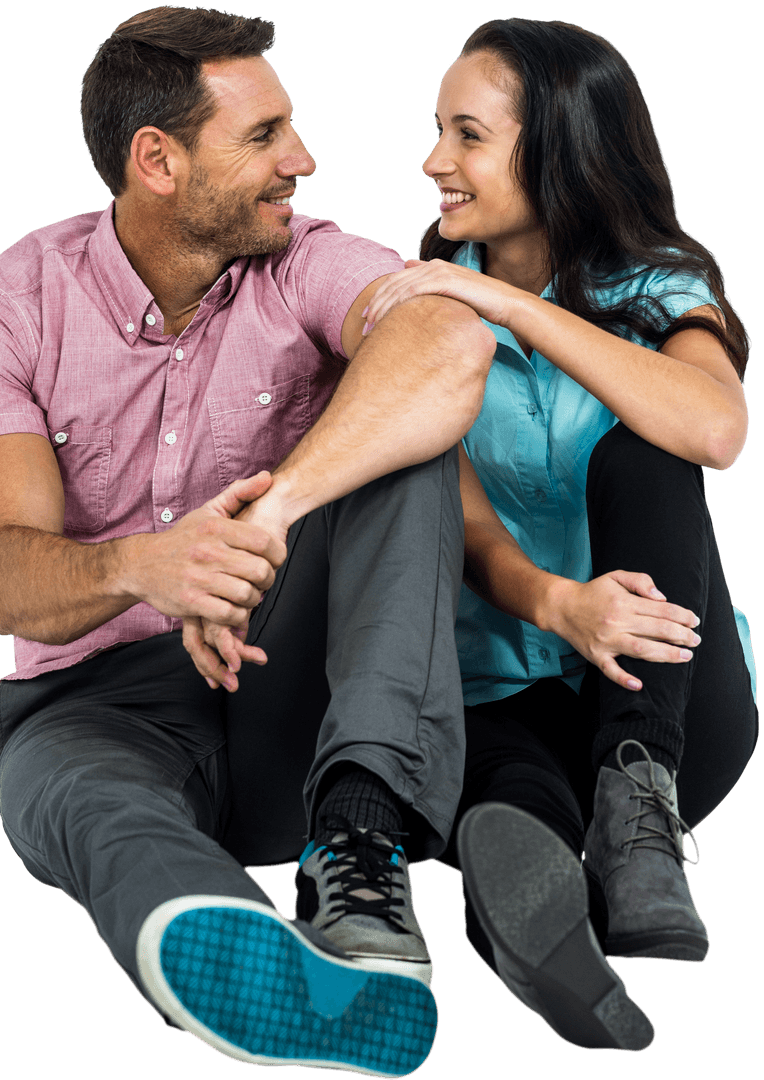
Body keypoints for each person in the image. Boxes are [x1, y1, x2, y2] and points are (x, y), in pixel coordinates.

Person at [0, 7, 497, 1075]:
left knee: (406, 434)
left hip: (292, 681)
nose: (302, 160)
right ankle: (237, 952)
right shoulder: (7, 307)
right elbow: (1, 580)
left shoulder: (304, 260)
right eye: (263, 136)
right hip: (96, 708)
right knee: (79, 803)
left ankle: (360, 837)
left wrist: (259, 527)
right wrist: (144, 565)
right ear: (157, 159)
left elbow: (444, 338)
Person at [363, 16, 758, 1053]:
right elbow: (458, 518)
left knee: (645, 442)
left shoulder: (662, 288)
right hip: (492, 693)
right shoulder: (420, 321)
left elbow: (714, 430)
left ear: (560, 149)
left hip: (664, 701)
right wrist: (558, 605)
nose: (431, 162)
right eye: (433, 131)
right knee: (506, 812)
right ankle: (546, 938)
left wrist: (506, 301)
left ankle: (636, 813)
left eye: (465, 134)